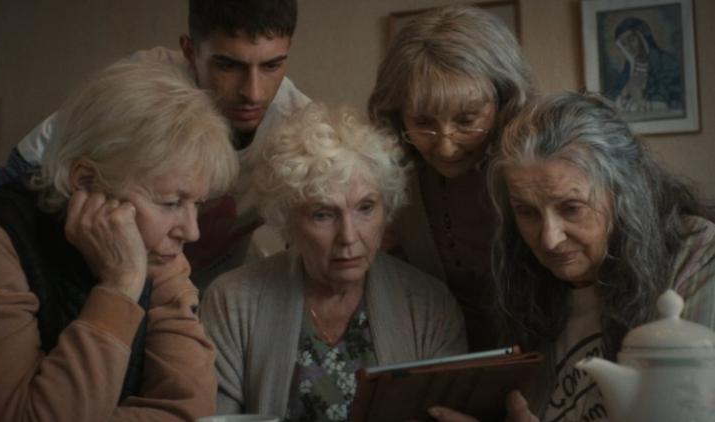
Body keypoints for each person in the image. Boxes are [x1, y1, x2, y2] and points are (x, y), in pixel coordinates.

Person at [0, 59, 239, 421]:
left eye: (196, 204)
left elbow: (190, 410)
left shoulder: (159, 253)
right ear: (85, 182)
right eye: (171, 203)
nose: (192, 232)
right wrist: (120, 285)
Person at [0, 0, 310, 290]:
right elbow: (1, 202)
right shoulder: (137, 90)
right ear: (190, 50)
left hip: (204, 299)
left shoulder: (302, 127)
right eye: (228, 65)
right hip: (106, 284)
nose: (253, 92)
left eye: (272, 65)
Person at [430, 92, 715, 422]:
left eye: (571, 208)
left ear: (625, 194)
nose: (549, 239)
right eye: (527, 212)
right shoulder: (527, 282)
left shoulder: (697, 256)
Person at [200, 104, 467, 421]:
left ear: (386, 207)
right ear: (288, 219)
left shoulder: (429, 307)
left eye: (365, 208)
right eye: (323, 214)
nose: (349, 237)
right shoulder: (233, 302)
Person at [367, 4, 535, 351]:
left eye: (467, 120)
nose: (445, 147)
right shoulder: (392, 179)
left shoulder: (538, 170)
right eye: (423, 122)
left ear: (505, 101)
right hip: (442, 361)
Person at [611, 17, 682, 113]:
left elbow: (672, 98)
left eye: (632, 39)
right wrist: (625, 91)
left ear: (643, 37)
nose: (629, 47)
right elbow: (615, 97)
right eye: (624, 44)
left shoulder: (666, 61)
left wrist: (642, 100)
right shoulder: (629, 66)